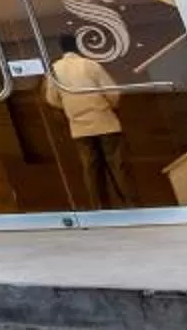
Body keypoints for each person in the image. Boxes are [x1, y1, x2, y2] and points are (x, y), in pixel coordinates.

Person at [44, 36, 129, 207]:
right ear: (79, 46)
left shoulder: (55, 70)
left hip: (79, 127)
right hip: (104, 122)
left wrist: (68, 108)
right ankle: (130, 204)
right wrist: (110, 106)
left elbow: (51, 99)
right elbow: (113, 93)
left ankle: (99, 207)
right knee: (117, 167)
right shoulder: (89, 65)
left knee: (90, 170)